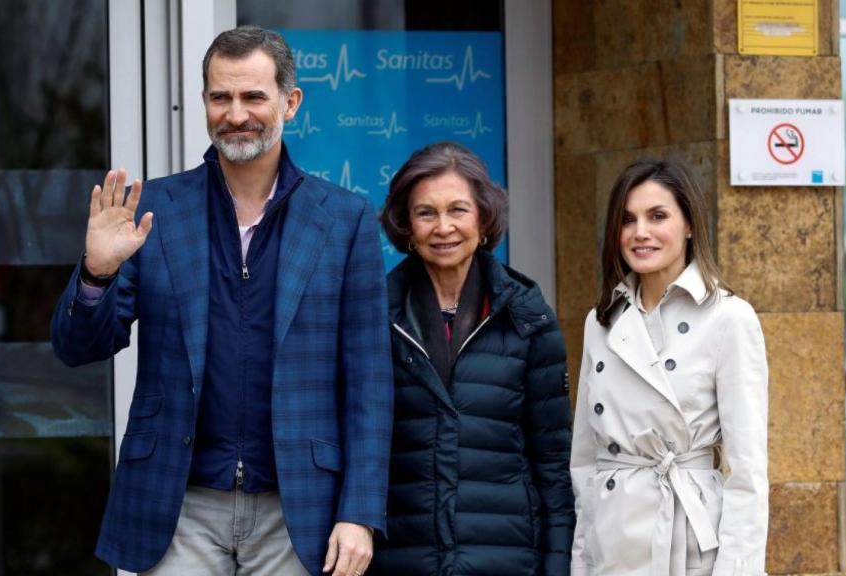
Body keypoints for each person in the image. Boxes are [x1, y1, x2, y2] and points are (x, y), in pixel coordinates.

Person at [51, 25, 392, 576]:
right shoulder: (155, 210)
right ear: (205, 102)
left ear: (290, 101)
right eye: (221, 97)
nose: (236, 114)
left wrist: (360, 512)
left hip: (299, 509)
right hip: (177, 504)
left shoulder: (343, 219)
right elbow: (78, 348)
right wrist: (97, 272)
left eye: (253, 96)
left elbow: (369, 383)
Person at [372, 141, 574, 575]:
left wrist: (558, 566)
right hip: (402, 559)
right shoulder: (372, 317)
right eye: (426, 213)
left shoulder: (528, 318)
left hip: (506, 559)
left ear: (483, 219)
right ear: (406, 225)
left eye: (458, 210)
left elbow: (553, 466)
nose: (443, 227)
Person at [569, 158, 769, 575]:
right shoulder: (601, 320)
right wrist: (582, 561)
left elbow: (748, 471)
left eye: (657, 216)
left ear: (690, 224)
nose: (639, 232)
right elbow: (585, 461)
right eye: (627, 220)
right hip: (613, 539)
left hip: (691, 542)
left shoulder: (729, 317)